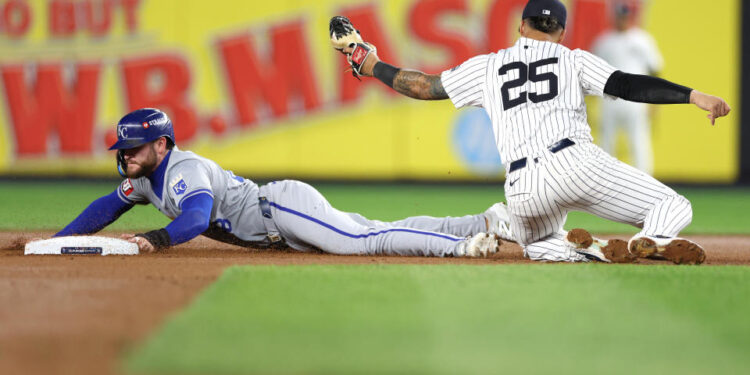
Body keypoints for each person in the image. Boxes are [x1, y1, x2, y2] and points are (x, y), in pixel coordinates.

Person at [330, 0, 730, 264]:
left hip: (521, 186)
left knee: (536, 245)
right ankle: (654, 241)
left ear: (521, 26)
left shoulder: (489, 65)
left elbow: (421, 86)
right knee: (675, 206)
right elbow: (625, 84)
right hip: (575, 163)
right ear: (560, 32)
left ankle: (595, 251)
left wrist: (371, 64)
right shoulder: (570, 58)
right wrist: (692, 95)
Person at [54, 108, 514, 257]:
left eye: (135, 146)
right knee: (373, 226)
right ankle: (481, 221)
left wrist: (157, 238)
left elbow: (195, 217)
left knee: (365, 242)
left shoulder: (182, 171)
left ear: (162, 144)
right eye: (123, 148)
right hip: (282, 222)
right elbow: (106, 206)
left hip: (280, 208)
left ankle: (461, 247)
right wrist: (57, 242)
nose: (126, 154)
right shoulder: (145, 178)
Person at [591, 1, 663, 174]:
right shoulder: (603, 41)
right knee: (606, 144)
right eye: (619, 15)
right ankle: (605, 183)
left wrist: (656, 101)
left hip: (636, 100)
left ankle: (646, 185)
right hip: (610, 100)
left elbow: (655, 70)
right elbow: (592, 72)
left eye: (625, 16)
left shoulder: (643, 40)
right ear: (614, 16)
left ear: (630, 17)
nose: (622, 19)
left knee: (639, 144)